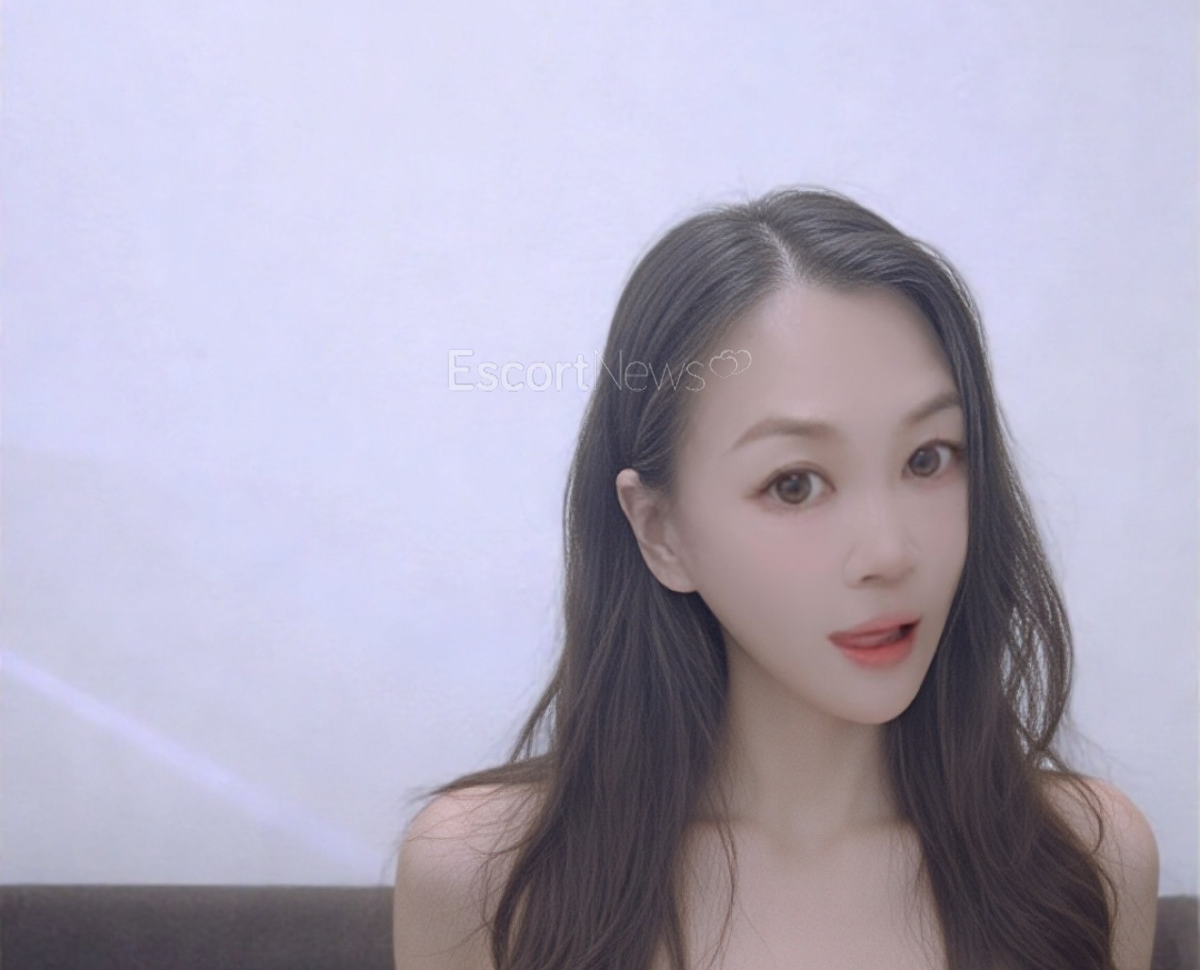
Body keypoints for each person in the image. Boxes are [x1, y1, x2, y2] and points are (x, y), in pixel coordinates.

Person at [393, 187, 1160, 970]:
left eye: (927, 459)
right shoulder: (483, 878)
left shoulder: (1088, 862)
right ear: (660, 530)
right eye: (795, 484)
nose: (889, 553)